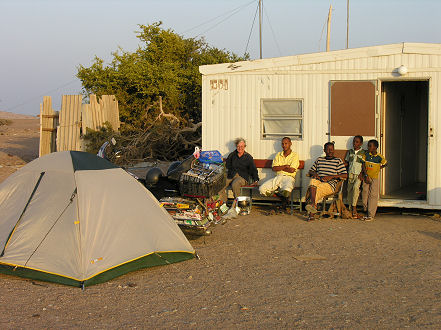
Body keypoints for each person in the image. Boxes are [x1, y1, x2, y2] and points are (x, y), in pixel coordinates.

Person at [305, 142, 348, 220]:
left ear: (334, 150)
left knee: (317, 189)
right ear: (324, 150)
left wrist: (331, 177)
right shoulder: (319, 159)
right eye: (328, 149)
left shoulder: (338, 161)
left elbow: (345, 175)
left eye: (331, 149)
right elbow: (311, 171)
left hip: (330, 184)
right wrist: (315, 174)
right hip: (319, 180)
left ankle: (311, 211)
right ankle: (313, 206)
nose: (330, 151)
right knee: (313, 181)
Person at [219, 137, 259, 202]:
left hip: (242, 177)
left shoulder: (248, 157)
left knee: (235, 184)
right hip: (231, 175)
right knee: (221, 185)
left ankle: (237, 204)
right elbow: (227, 166)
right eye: (238, 146)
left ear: (244, 147)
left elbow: (253, 169)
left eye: (242, 146)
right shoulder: (232, 155)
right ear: (236, 146)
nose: (240, 148)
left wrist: (256, 180)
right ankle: (223, 203)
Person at [361, 139, 388, 221]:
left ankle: (371, 214)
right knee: (365, 192)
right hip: (366, 177)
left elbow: (386, 163)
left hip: (374, 178)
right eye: (368, 146)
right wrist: (365, 175)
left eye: (370, 146)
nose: (368, 147)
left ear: (375, 147)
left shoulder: (379, 157)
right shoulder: (366, 155)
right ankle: (365, 209)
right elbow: (363, 164)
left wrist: (378, 168)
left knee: (373, 195)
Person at [344, 135, 365, 219]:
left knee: (356, 188)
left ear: (361, 143)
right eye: (354, 141)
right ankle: (350, 208)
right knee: (349, 190)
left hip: (358, 174)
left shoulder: (363, 153)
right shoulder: (350, 152)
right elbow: (347, 163)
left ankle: (354, 207)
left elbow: (364, 164)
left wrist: (362, 173)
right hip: (350, 174)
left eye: (357, 142)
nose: (354, 143)